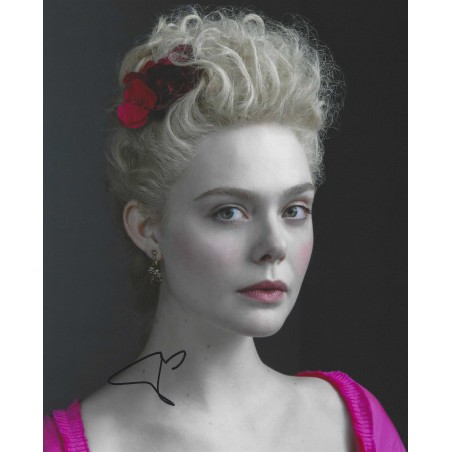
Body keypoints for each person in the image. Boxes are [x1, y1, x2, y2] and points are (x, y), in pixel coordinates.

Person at [44, 8, 405, 451]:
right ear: (147, 228)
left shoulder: (352, 419)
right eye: (229, 212)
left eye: (294, 210)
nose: (274, 246)